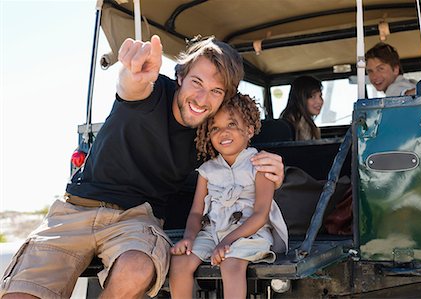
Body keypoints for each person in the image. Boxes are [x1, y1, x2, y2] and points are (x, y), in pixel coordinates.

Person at [0, 35, 285, 299]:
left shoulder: (209, 137)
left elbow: (237, 169)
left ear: (226, 98)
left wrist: (276, 173)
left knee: (136, 269)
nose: (201, 99)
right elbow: (131, 86)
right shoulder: (152, 92)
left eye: (215, 91)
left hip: (136, 220)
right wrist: (132, 73)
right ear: (180, 76)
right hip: (75, 209)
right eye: (196, 82)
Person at [169, 93, 288, 299]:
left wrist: (227, 242)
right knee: (180, 263)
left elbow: (260, 214)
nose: (223, 132)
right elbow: (197, 212)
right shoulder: (207, 170)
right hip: (212, 231)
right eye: (215, 127)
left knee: (231, 264)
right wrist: (188, 238)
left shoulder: (260, 164)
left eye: (232, 124)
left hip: (248, 233)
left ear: (249, 130)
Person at [280, 75, 324, 140]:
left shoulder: (301, 120)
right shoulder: (296, 123)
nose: (319, 101)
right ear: (301, 99)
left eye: (320, 96)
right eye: (312, 96)